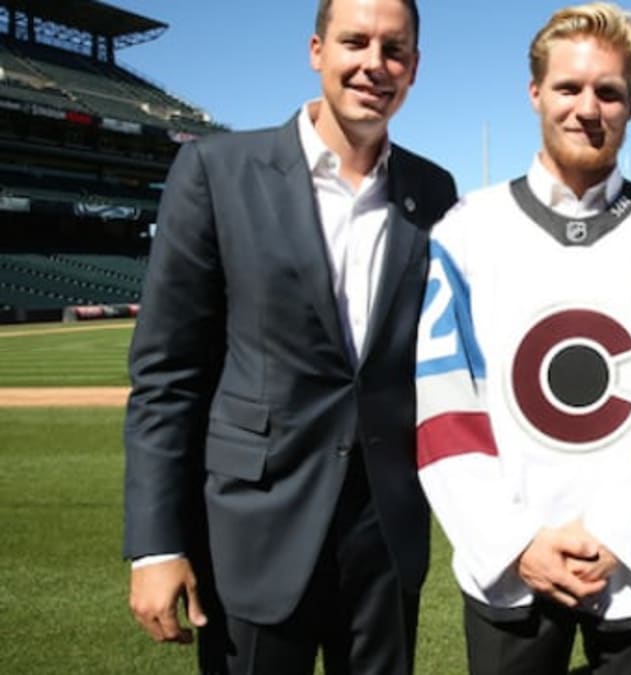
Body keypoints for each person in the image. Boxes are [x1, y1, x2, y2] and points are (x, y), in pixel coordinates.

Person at [123, 0, 457, 672]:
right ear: (316, 50)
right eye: (355, 42)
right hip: (254, 526)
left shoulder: (433, 189)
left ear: (414, 67)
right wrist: (156, 544)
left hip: (385, 536)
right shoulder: (217, 172)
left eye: (394, 50)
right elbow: (169, 374)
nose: (374, 65)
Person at [412, 4, 631, 674]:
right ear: (535, 92)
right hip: (510, 565)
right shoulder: (466, 233)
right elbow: (446, 407)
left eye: (609, 91)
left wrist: (621, 533)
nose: (588, 108)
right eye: (568, 87)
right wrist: (514, 539)